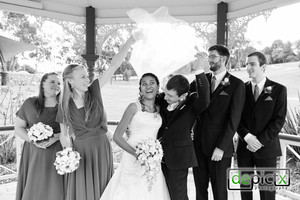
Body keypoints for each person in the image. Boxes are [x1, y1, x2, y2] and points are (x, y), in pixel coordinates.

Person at [56, 36, 136, 200]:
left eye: (87, 75)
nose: (88, 79)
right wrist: (68, 154)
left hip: (101, 147)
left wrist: (131, 40)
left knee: (103, 189)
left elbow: (114, 65)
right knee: (83, 190)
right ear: (70, 81)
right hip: (80, 151)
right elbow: (64, 134)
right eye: (83, 77)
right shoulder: (64, 104)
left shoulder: (94, 90)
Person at [100, 73, 170, 200]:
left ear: (158, 86)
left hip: (153, 160)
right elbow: (117, 137)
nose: (148, 86)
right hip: (132, 158)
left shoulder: (160, 108)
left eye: (151, 83)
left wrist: (152, 154)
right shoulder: (133, 107)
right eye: (144, 84)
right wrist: (137, 154)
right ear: (140, 88)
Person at [191, 44, 245, 200]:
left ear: (224, 59)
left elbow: (234, 120)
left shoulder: (236, 84)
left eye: (213, 56)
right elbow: (186, 98)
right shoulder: (201, 80)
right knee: (200, 191)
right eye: (209, 57)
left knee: (219, 192)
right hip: (199, 146)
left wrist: (221, 147)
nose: (210, 60)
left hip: (219, 149)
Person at [157, 55, 210, 200]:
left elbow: (205, 98)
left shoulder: (192, 103)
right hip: (157, 157)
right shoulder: (162, 100)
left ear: (183, 95)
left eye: (170, 96)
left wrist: (199, 70)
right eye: (166, 93)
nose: (165, 97)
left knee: (178, 196)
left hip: (178, 159)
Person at [236, 51, 287, 200]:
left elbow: (278, 121)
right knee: (245, 189)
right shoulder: (241, 89)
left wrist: (259, 141)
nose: (248, 67)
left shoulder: (278, 90)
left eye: (252, 64)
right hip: (244, 148)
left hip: (267, 149)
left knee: (267, 191)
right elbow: (235, 117)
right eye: (247, 64)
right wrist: (247, 137)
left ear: (263, 67)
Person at [14, 72, 64, 200]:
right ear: (42, 84)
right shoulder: (30, 103)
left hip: (58, 152)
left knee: (56, 188)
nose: (56, 85)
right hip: (34, 152)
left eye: (58, 83)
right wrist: (32, 140)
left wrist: (56, 137)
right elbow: (19, 128)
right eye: (52, 82)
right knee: (35, 187)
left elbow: (73, 129)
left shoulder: (65, 105)